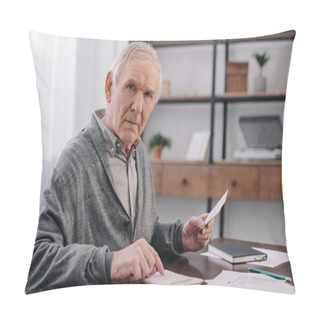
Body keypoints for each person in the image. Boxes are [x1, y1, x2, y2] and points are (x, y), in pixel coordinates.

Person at [25, 42, 214, 293]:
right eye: (131, 87)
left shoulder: (140, 155)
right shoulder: (75, 159)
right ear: (109, 88)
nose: (137, 106)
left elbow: (141, 237)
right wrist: (110, 262)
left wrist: (180, 236)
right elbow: (35, 261)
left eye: (148, 95)